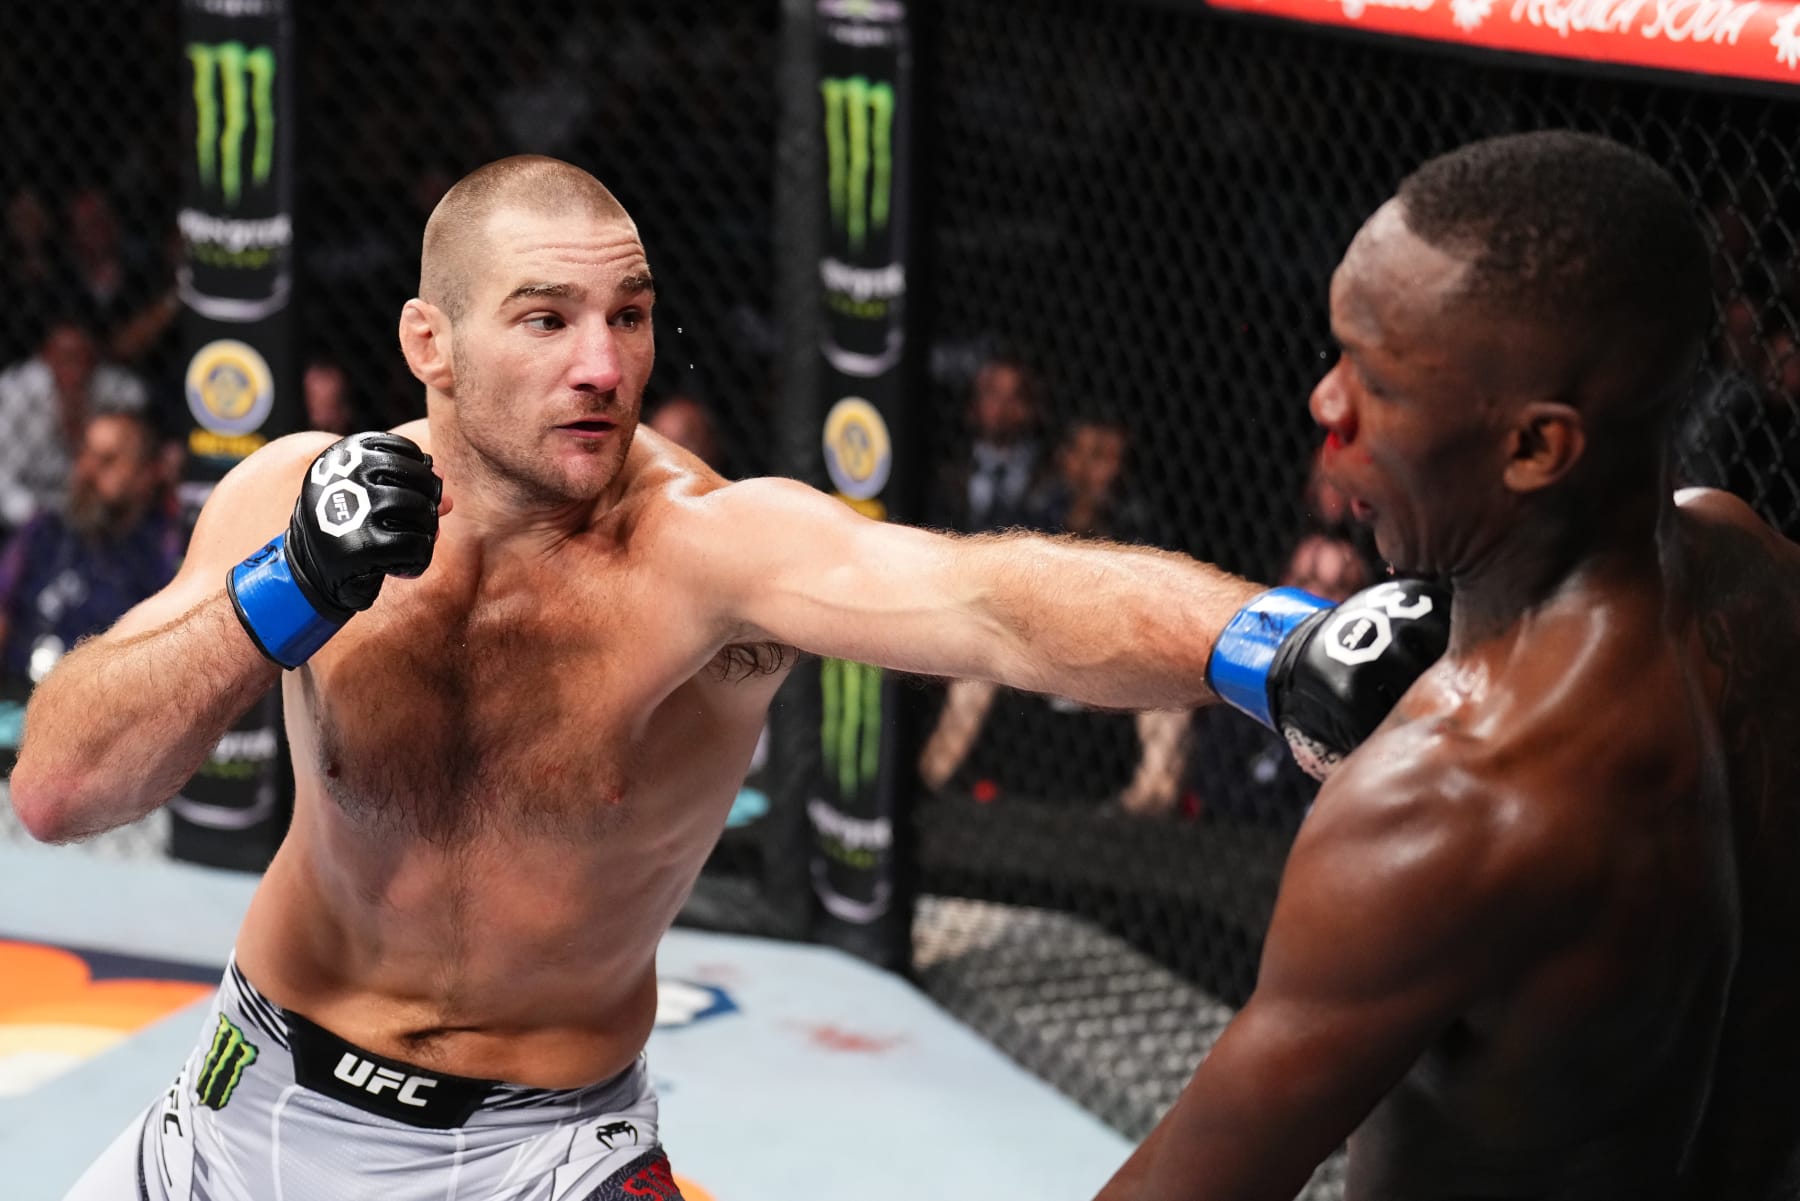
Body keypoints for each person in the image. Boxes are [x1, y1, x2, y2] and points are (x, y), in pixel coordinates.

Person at [12, 155, 1443, 1201]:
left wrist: (1273, 644)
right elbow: (63, 790)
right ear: (429, 346)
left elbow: (984, 596)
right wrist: (284, 595)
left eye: (629, 316)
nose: (603, 365)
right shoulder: (290, 502)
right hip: (243, 1101)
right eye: (547, 319)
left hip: (537, 1154)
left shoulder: (707, 552)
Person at [1094, 130, 1800, 1201]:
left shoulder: (1446, 803)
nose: (1326, 408)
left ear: (1533, 448)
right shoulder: (1758, 577)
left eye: (1373, 380)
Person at [0, 409, 179, 688]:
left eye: (107, 460)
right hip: (16, 699)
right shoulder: (43, 532)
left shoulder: (161, 551)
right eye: (85, 454)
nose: (88, 471)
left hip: (109, 703)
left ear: (146, 474)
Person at [0, 314, 150, 533]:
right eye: (63, 356)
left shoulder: (115, 390)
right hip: (27, 515)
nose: (72, 366)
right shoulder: (15, 393)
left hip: (97, 510)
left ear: (93, 359)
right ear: (46, 357)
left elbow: (139, 406)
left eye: (81, 356)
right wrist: (34, 518)